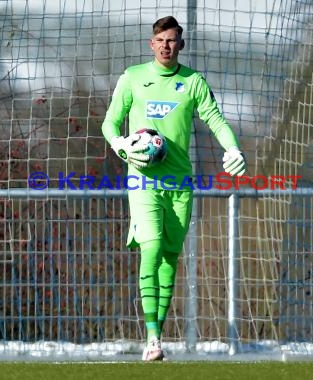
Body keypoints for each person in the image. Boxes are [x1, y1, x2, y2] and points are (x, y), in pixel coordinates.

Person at [101, 15, 246, 361]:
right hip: (143, 180)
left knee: (168, 258)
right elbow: (109, 121)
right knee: (149, 250)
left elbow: (216, 119)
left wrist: (233, 148)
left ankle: (158, 335)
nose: (166, 46)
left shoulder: (192, 82)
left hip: (180, 184)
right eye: (160, 40)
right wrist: (121, 145)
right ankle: (151, 339)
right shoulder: (133, 78)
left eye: (172, 40)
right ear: (151, 44)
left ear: (181, 44)